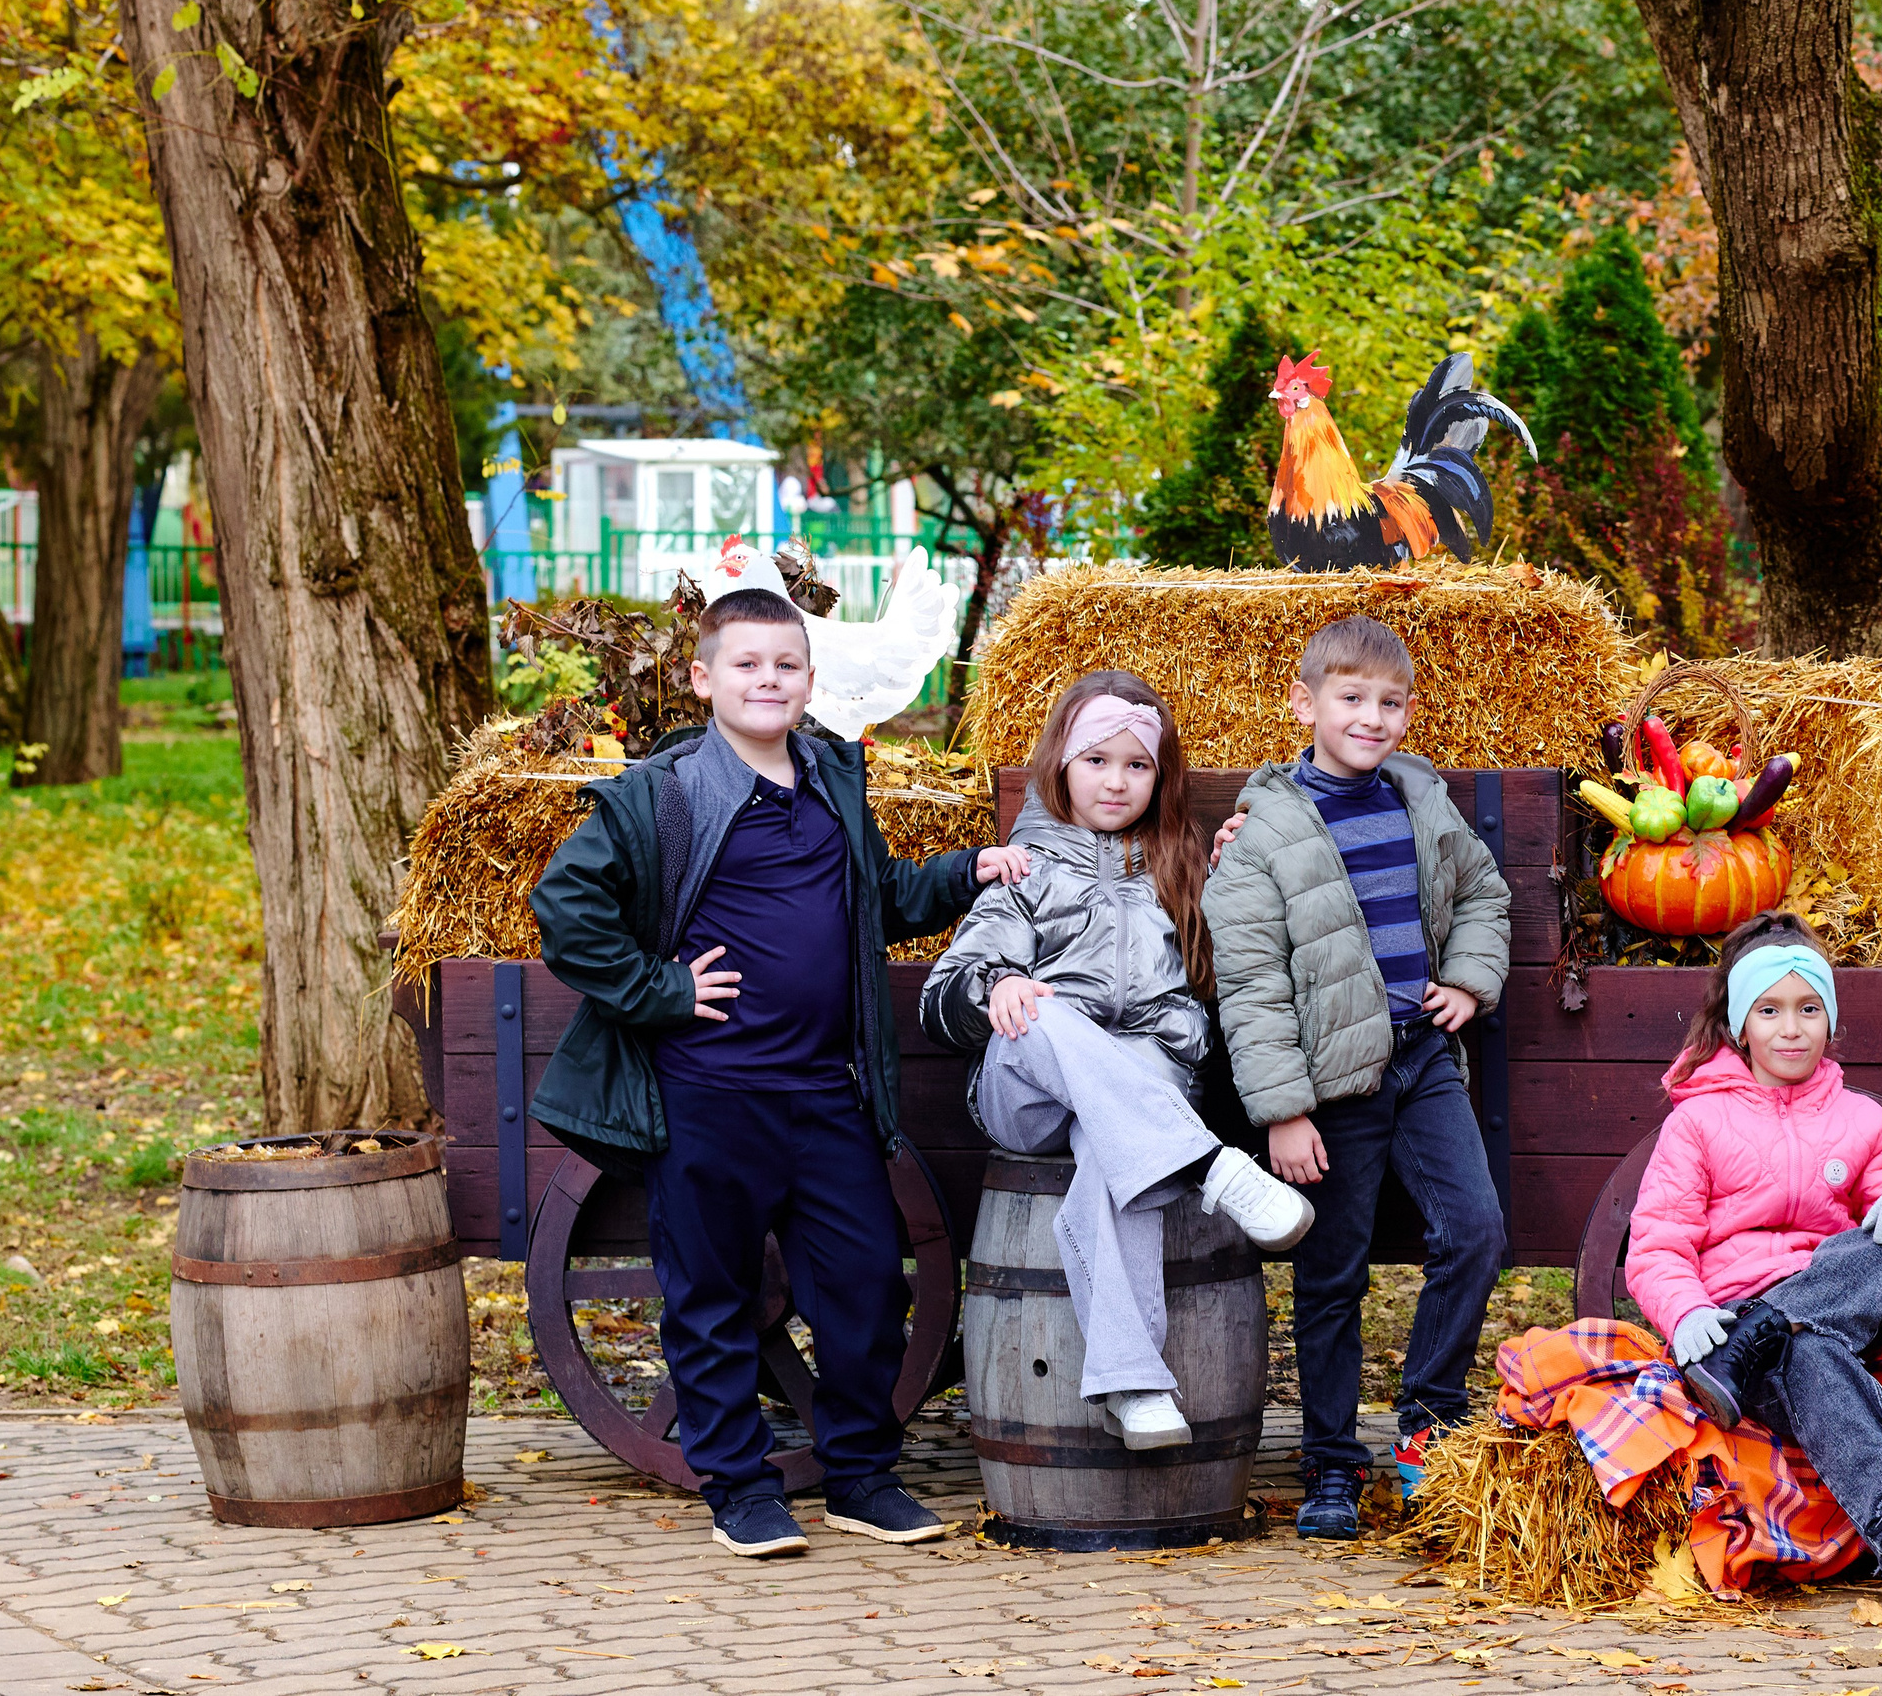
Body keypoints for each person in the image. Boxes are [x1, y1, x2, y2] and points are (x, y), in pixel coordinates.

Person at [527, 585, 1032, 1559]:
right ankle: (740, 1486)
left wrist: (970, 869)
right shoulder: (663, 793)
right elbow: (567, 907)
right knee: (711, 1294)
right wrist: (660, 991)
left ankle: (858, 1476)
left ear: (809, 679)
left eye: (786, 664)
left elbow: (879, 900)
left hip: (825, 1089)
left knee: (863, 1288)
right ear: (702, 678)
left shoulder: (835, 776)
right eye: (747, 663)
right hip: (709, 1094)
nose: (769, 679)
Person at [919, 671, 1315, 1449]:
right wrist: (992, 987)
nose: (1116, 780)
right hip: (1027, 1086)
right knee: (1044, 1010)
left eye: (1137, 765)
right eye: (1097, 760)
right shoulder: (1025, 867)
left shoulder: (1180, 865)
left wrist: (1240, 874)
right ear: (1061, 764)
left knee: (1115, 1140)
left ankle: (1132, 1383)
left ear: (1161, 777)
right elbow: (940, 998)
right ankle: (1212, 1170)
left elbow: (1233, 977)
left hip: (1142, 1081)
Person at [1201, 615, 1512, 1538]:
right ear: (1306, 704)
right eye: (1352, 699)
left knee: (1477, 1231)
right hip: (1333, 1088)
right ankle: (1332, 1463)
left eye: (1390, 702)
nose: (1373, 718)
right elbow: (1253, 989)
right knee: (1329, 1276)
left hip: (1421, 1061)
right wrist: (1284, 1111)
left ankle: (1426, 1422)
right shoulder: (1260, 837)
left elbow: (1485, 889)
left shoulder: (1420, 797)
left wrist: (1468, 977)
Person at [1625, 911, 1882, 1620]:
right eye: (1771, 1010)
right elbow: (1658, 1241)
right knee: (1811, 1355)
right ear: (1739, 1026)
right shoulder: (1697, 1123)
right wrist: (1688, 1311)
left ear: (1830, 1021)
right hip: (1733, 1319)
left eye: (1809, 1008)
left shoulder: (1863, 1120)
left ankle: (1770, 1325)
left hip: (1832, 1300)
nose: (1792, 1027)